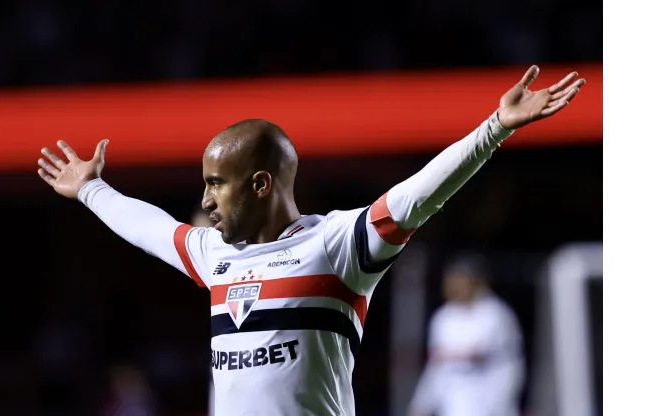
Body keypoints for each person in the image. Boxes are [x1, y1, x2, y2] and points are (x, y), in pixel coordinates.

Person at [36, 66, 584, 416]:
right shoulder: (215, 257)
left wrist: (494, 128)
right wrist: (91, 189)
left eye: (214, 185)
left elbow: (419, 195)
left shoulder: (337, 245)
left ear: (260, 184)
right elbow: (148, 227)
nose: (204, 201)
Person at [407, 254, 525, 416]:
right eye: (452, 279)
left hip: (489, 406)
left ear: (476, 281)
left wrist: (500, 405)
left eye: (460, 279)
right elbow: (436, 368)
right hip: (453, 406)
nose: (454, 285)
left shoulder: (496, 316)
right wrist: (421, 404)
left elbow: (511, 367)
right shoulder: (443, 319)